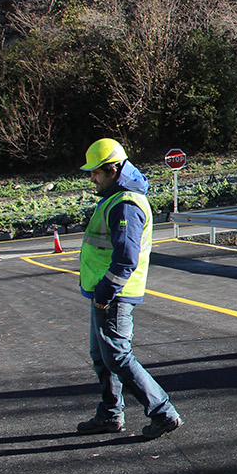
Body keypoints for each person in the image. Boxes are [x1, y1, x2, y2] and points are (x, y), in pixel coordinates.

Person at [76, 139, 183, 437]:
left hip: (113, 294)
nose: (92, 178)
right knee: (102, 356)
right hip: (107, 292)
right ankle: (110, 415)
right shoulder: (117, 198)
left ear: (112, 169)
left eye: (96, 172)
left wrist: (105, 292)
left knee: (117, 357)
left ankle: (163, 412)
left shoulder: (125, 204)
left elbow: (125, 258)